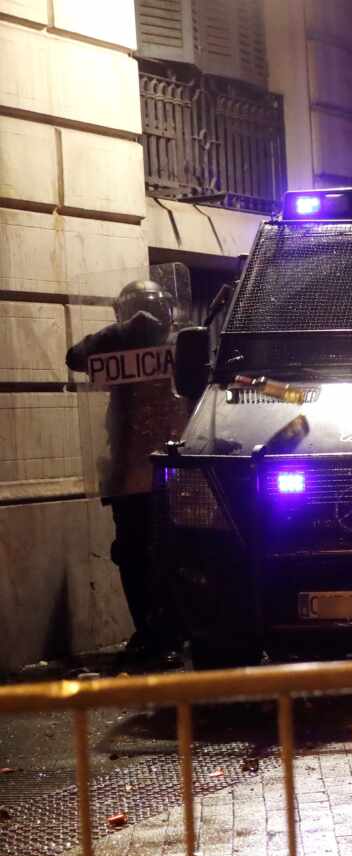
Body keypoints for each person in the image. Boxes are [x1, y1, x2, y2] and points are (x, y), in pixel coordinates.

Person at [66, 279, 190, 666]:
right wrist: (120, 333)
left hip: (171, 466)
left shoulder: (180, 345)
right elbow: (76, 357)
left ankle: (172, 632)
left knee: (170, 555)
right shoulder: (117, 343)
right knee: (133, 555)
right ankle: (150, 632)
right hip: (129, 471)